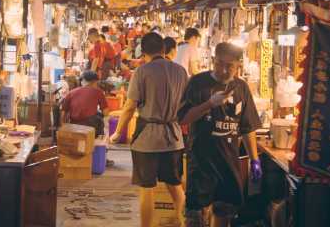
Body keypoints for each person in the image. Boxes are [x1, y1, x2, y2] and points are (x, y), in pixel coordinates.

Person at [179, 42, 262, 227]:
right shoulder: (197, 82)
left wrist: (255, 160)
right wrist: (209, 104)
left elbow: (247, 128)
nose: (223, 70)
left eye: (229, 66)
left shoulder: (241, 88)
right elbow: (183, 118)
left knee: (224, 214)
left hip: (228, 164)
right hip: (201, 163)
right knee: (196, 218)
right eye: (219, 63)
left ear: (238, 65)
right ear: (213, 60)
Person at [111, 33, 188, 227]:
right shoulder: (181, 71)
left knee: (147, 189)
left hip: (147, 140)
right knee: (176, 187)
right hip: (173, 137)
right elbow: (187, 105)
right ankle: (186, 223)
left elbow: (129, 107)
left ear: (143, 52)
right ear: (164, 49)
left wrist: (118, 132)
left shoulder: (142, 72)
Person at [61, 70, 109, 136]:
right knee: (99, 117)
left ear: (83, 81)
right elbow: (106, 112)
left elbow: (63, 113)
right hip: (91, 126)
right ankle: (97, 140)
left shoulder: (71, 92)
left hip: (74, 124)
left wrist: (64, 128)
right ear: (95, 82)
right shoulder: (98, 92)